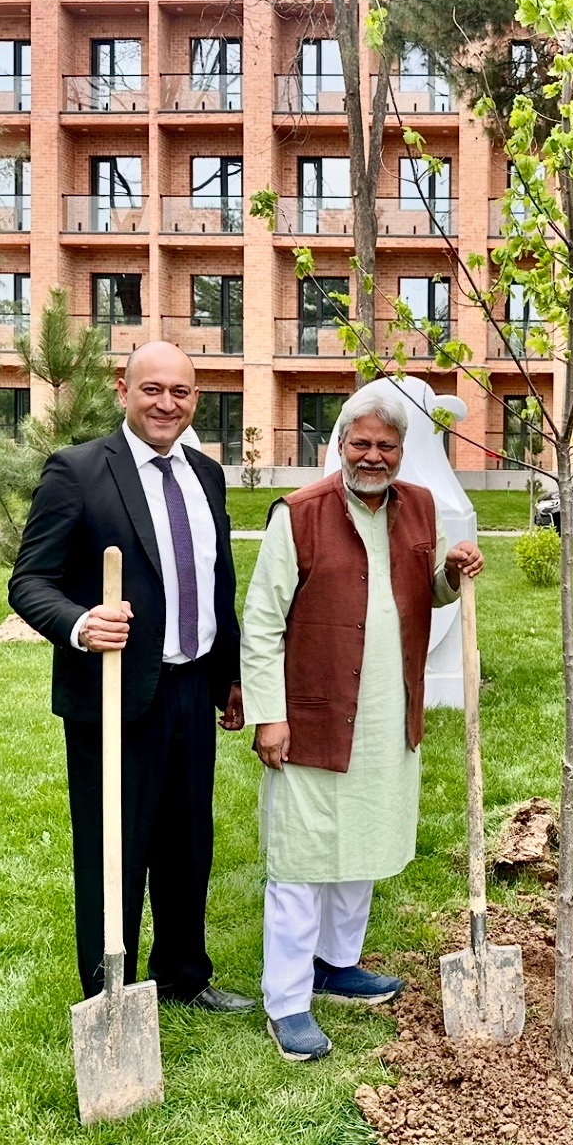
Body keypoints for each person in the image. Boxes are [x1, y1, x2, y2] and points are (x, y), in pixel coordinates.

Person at [241, 384, 484, 1064]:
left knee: (364, 842)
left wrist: (450, 573)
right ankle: (287, 999)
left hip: (385, 710)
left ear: (401, 452)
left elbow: (420, 590)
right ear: (340, 446)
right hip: (312, 712)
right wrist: (268, 716)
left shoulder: (421, 507)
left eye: (385, 446)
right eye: (361, 444)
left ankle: (336, 964)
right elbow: (261, 622)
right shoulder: (300, 513)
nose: (372, 456)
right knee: (300, 856)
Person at [8, 341, 252, 1011]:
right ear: (124, 389)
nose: (166, 404)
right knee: (114, 848)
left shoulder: (205, 474)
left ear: (195, 397)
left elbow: (214, 583)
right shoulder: (79, 472)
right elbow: (29, 581)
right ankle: (109, 992)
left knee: (186, 845)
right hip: (113, 696)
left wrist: (228, 675)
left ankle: (181, 976)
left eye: (180, 391)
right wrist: (82, 624)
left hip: (189, 688)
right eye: (152, 390)